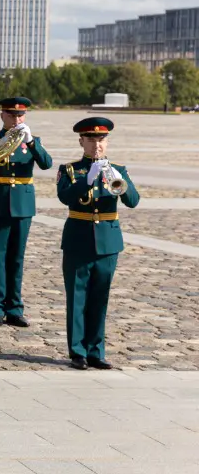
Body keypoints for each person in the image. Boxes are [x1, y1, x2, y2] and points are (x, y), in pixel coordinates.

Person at [57, 118, 139, 370]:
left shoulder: (118, 169)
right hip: (78, 239)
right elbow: (65, 196)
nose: (96, 145)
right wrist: (87, 180)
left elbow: (133, 201)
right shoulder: (70, 170)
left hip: (108, 241)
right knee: (77, 297)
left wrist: (119, 183)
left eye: (101, 139)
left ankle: (96, 351)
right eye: (91, 139)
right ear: (81, 141)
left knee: (100, 298)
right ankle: (78, 352)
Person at [0, 96, 52, 327]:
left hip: (23, 205)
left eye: (20, 115)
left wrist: (33, 143)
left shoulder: (31, 140)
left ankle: (15, 308)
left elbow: (47, 164)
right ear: (2, 116)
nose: (16, 119)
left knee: (17, 259)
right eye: (11, 115)